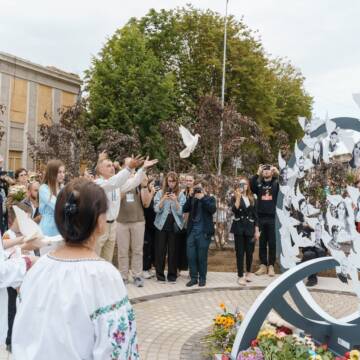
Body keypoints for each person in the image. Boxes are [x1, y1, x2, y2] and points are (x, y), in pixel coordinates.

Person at [12, 179, 139, 359]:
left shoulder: (38, 268)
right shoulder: (104, 276)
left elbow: (23, 332)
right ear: (100, 221)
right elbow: (117, 348)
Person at [94, 155, 155, 265]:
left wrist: (143, 169)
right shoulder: (99, 183)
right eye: (108, 166)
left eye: (112, 165)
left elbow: (133, 182)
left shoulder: (116, 184)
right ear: (100, 170)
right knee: (95, 259)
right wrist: (129, 168)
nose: (112, 167)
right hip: (100, 226)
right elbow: (114, 182)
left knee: (107, 261)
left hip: (112, 226)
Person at [116, 157, 158, 287]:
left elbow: (146, 203)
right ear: (123, 166)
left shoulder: (140, 181)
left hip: (138, 221)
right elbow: (117, 198)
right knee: (122, 251)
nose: (132, 166)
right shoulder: (117, 181)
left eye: (133, 164)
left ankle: (137, 275)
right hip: (121, 221)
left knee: (138, 250)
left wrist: (144, 185)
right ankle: (123, 276)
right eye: (129, 164)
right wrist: (128, 183)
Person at [153, 172, 186, 283]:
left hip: (174, 226)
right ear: (166, 181)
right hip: (161, 225)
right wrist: (163, 199)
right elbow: (156, 209)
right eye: (169, 181)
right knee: (160, 251)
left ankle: (172, 276)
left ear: (176, 182)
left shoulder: (181, 194)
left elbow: (181, 212)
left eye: (173, 181)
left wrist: (175, 200)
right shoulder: (160, 193)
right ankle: (160, 276)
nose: (171, 183)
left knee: (173, 251)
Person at [183, 179, 216, 287]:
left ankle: (202, 278)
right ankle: (193, 278)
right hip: (192, 231)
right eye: (196, 188)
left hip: (203, 232)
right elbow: (185, 208)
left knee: (202, 257)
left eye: (199, 188)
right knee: (191, 256)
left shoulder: (210, 199)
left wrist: (202, 198)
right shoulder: (193, 198)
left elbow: (212, 209)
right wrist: (190, 196)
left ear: (205, 188)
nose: (197, 190)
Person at [250, 164, 279, 277]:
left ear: (272, 172)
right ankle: (263, 265)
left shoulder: (276, 183)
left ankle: (271, 265)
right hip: (261, 218)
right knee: (262, 243)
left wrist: (277, 171)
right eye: (264, 170)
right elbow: (251, 186)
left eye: (268, 170)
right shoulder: (259, 184)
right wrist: (257, 172)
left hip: (273, 218)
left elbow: (286, 184)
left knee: (272, 243)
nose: (266, 172)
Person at [230, 177, 260, 286]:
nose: (243, 186)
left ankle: (248, 272)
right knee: (240, 253)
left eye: (245, 184)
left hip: (250, 228)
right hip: (238, 228)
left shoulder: (253, 198)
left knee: (249, 252)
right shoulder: (234, 197)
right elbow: (234, 210)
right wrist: (238, 197)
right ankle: (240, 275)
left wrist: (257, 230)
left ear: (248, 186)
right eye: (241, 184)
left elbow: (256, 216)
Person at [39, 160, 65, 254]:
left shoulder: (63, 188)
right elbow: (57, 205)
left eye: (63, 172)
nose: (62, 175)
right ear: (52, 173)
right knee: (46, 261)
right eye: (59, 172)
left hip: (61, 230)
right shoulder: (44, 188)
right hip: (48, 231)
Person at [141, 175, 157, 279]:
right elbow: (146, 205)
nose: (153, 186)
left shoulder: (157, 195)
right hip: (146, 224)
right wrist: (151, 192)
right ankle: (144, 269)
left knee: (153, 247)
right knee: (146, 247)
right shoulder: (146, 193)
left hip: (154, 225)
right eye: (151, 184)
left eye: (154, 184)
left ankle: (150, 267)